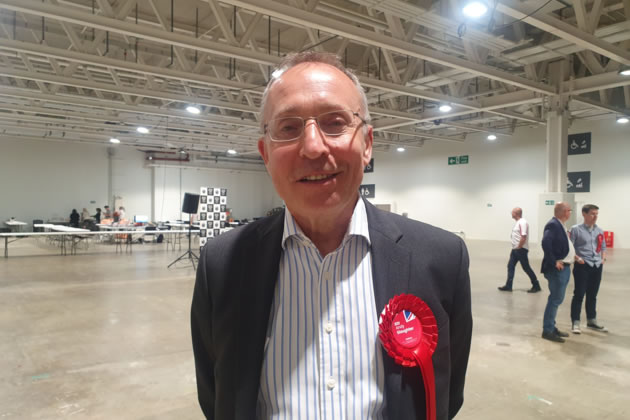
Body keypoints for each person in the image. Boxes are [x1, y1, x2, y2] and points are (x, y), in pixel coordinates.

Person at [191, 52, 473, 419]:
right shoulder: (221, 263)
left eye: (335, 123)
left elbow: (445, 397)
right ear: (265, 154)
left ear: (367, 144)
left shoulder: (441, 259)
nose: (313, 146)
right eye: (288, 128)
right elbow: (217, 398)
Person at [540, 202, 578, 343]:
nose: (570, 212)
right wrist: (554, 261)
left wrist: (574, 256)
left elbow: (562, 245)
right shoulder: (553, 224)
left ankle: (551, 326)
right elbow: (545, 242)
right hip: (557, 270)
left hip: (565, 268)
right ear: (564, 212)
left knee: (556, 299)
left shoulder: (560, 224)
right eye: (569, 210)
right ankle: (548, 330)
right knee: (555, 300)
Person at [569, 204, 608, 334]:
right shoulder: (575, 229)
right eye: (592, 213)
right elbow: (569, 247)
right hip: (583, 265)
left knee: (593, 295)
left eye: (596, 214)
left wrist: (602, 259)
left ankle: (591, 320)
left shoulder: (599, 230)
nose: (595, 216)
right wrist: (577, 258)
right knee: (579, 294)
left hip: (597, 266)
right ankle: (575, 322)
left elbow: (603, 247)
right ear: (584, 214)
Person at [498, 207, 542, 293]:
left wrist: (519, 246)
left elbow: (523, 236)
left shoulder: (523, 223)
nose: (511, 213)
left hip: (520, 249)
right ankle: (508, 285)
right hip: (515, 249)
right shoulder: (518, 222)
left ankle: (536, 285)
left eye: (512, 212)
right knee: (510, 266)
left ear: (516, 213)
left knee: (526, 267)